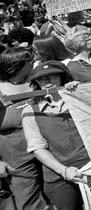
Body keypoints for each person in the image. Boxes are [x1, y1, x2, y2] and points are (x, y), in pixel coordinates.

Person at [22, 61, 89, 210]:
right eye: (42, 79)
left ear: (62, 77)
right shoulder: (30, 110)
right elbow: (37, 147)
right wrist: (64, 171)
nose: (47, 81)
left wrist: (84, 91)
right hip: (58, 176)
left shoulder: (78, 97)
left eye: (52, 76)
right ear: (36, 83)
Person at [0, 49, 50, 210]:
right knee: (28, 201)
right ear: (19, 65)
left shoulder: (38, 82)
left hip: (49, 148)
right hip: (16, 156)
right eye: (31, 60)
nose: (34, 62)